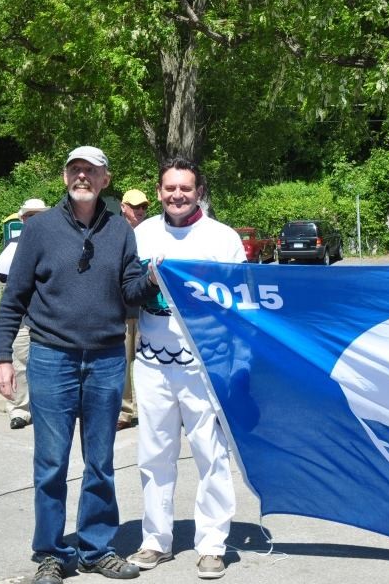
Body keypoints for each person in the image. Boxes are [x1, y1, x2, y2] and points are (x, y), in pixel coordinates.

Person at [0, 146, 154, 584]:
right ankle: (51, 553)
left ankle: (96, 548)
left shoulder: (121, 230)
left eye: (91, 171)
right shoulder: (40, 229)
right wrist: (2, 357)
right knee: (51, 462)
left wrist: (153, 279)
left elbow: (130, 289)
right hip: (51, 357)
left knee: (100, 461)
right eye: (75, 169)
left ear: (105, 180)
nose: (82, 176)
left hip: (104, 358)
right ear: (66, 178)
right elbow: (15, 298)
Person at [127, 158, 244, 579]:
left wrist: (235, 364)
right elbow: (125, 290)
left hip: (205, 363)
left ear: (199, 192)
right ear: (158, 192)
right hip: (152, 359)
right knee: (154, 453)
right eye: (170, 188)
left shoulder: (222, 238)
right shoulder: (140, 234)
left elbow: (240, 306)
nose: (178, 195)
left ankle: (212, 543)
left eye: (186, 188)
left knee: (210, 454)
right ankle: (155, 539)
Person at [0, 198, 50, 430]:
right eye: (30, 215)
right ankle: (19, 410)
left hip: (49, 317)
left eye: (39, 214)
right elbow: (3, 276)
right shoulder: (14, 245)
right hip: (23, 316)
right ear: (22, 219)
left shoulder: (57, 241)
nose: (34, 219)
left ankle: (48, 408)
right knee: (19, 362)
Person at [118, 188, 149, 431]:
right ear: (123, 207)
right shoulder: (115, 232)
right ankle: (124, 411)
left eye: (143, 207)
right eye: (134, 206)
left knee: (149, 362)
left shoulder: (153, 233)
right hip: (125, 309)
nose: (139, 211)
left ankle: (150, 409)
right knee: (123, 362)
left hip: (149, 309)